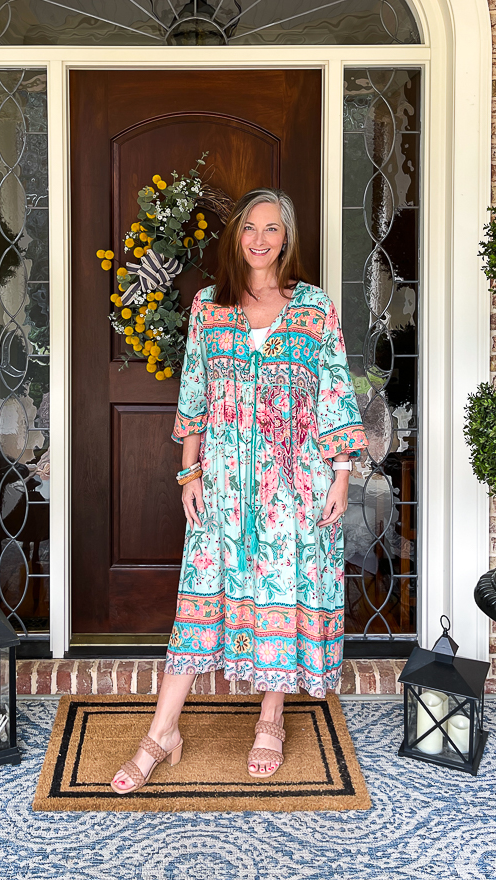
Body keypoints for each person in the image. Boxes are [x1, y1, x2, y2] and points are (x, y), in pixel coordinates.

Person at [111, 188, 367, 793]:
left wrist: (340, 476)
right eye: (249, 228)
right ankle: (161, 733)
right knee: (198, 600)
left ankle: (271, 719)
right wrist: (189, 472)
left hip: (294, 484)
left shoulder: (314, 310)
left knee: (279, 592)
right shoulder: (209, 307)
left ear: (288, 237)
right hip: (223, 484)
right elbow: (194, 395)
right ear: (236, 237)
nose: (259, 239)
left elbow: (334, 392)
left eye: (271, 228)